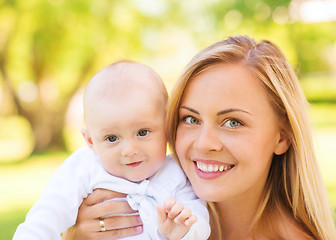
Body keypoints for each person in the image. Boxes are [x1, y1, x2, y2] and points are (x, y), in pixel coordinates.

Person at [63, 36, 336, 240]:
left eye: (232, 122)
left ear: (283, 137)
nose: (204, 143)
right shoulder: (126, 202)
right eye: (191, 119)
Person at [13, 61, 210, 240]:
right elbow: (46, 217)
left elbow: (199, 220)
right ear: (91, 141)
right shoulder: (84, 167)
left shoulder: (176, 172)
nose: (130, 150)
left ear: (167, 128)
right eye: (112, 138)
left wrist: (184, 230)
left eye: (142, 132)